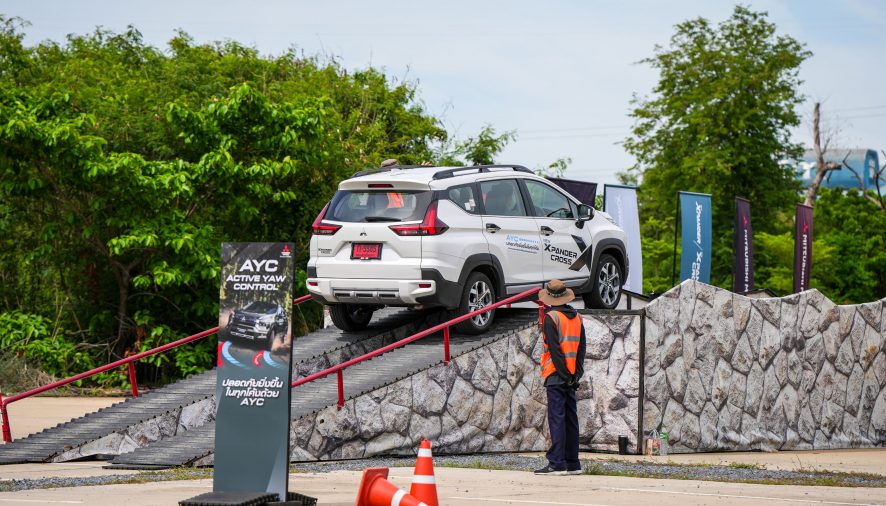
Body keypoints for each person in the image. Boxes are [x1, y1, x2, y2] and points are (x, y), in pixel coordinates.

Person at [534, 279, 586, 476]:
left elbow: (555, 351)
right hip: (571, 376)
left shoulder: (551, 318)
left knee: (557, 419)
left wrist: (564, 375)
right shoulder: (577, 317)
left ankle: (557, 463)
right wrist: (575, 375)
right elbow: (581, 348)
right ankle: (573, 463)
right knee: (571, 419)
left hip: (557, 376)